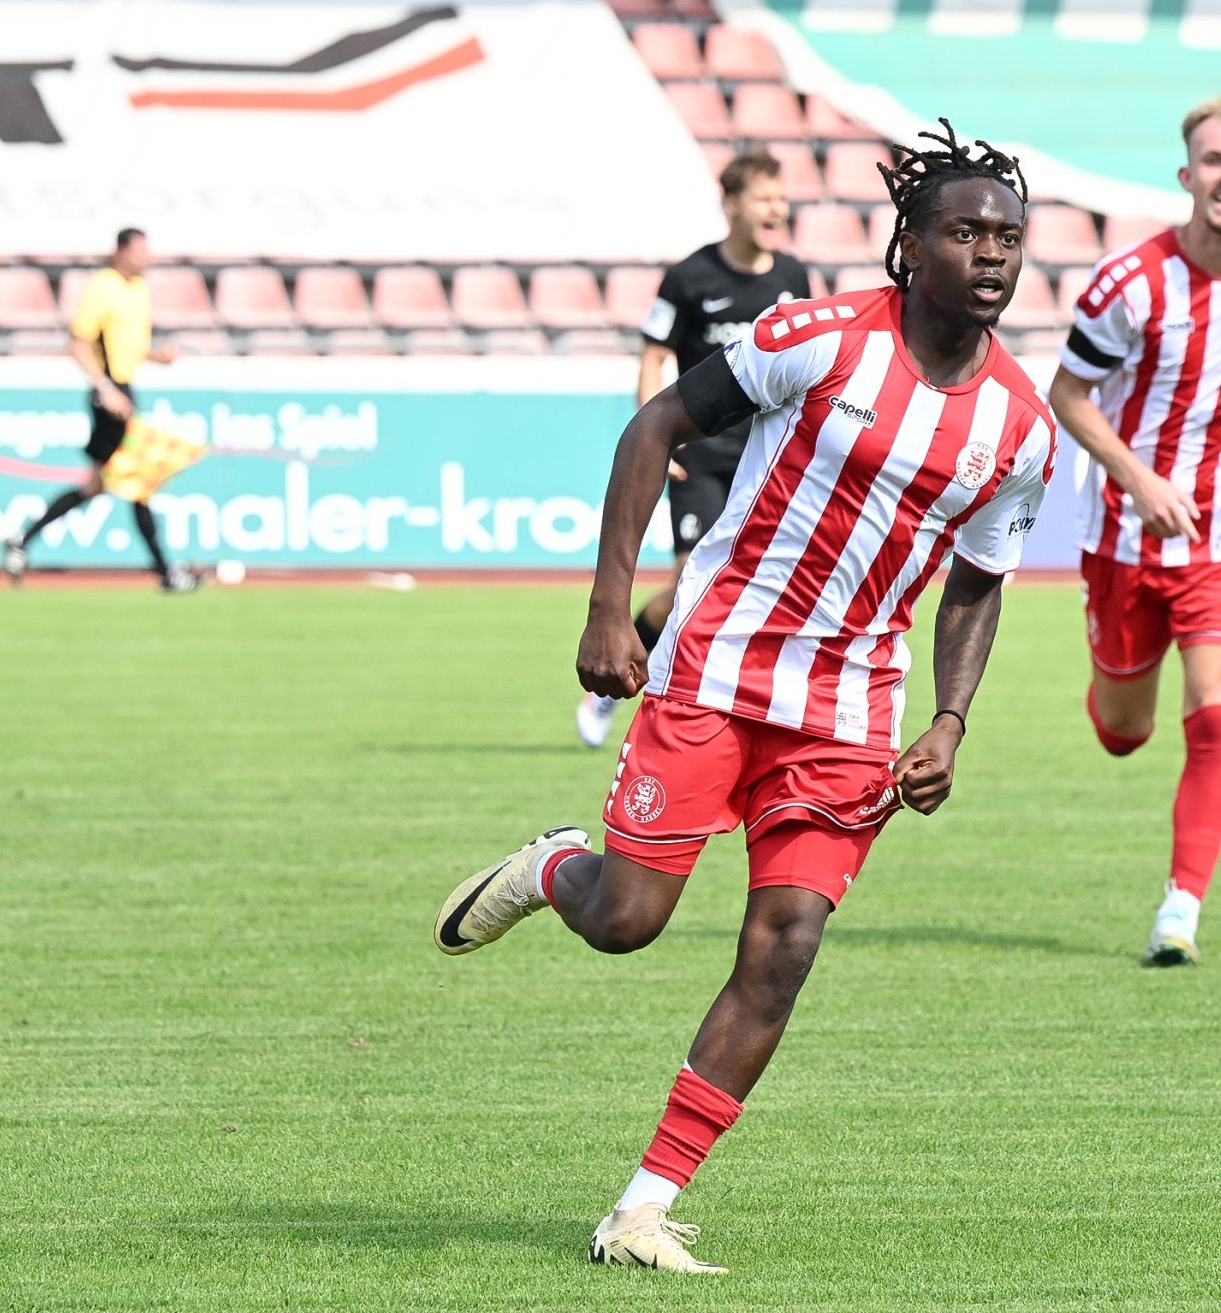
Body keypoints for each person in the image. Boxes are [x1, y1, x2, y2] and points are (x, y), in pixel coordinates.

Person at [435, 121, 1053, 1274]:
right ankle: (555, 867)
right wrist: (609, 609)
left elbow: (979, 582)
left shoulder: (1022, 426)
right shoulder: (817, 340)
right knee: (627, 920)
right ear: (911, 244)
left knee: (788, 942)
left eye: (1008, 238)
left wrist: (951, 717)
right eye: (965, 232)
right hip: (718, 665)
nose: (990, 255)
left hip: (851, 707)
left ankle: (642, 1206)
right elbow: (656, 424)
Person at [1047, 93, 1221, 968]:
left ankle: (1181, 909)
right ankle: (1114, 693)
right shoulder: (1130, 284)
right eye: (1213, 160)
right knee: (1124, 731)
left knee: (1215, 706)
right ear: (1187, 175)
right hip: (1125, 539)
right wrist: (1138, 478)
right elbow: (1068, 395)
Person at [576, 149, 812, 747]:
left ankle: (744, 708)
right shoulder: (688, 277)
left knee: (764, 584)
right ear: (731, 204)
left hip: (768, 457)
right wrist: (657, 442)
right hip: (701, 454)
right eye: (764, 198)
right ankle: (615, 670)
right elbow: (654, 356)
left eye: (781, 198)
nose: (777, 209)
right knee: (689, 580)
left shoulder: (794, 276)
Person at [0, 228, 197, 591]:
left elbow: (131, 346)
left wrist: (158, 357)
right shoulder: (103, 287)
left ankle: (22, 541)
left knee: (98, 485)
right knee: (139, 482)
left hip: (125, 390)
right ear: (121, 251)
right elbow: (78, 345)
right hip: (110, 394)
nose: (147, 257)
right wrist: (105, 389)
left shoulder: (139, 289)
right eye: (140, 250)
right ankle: (167, 572)